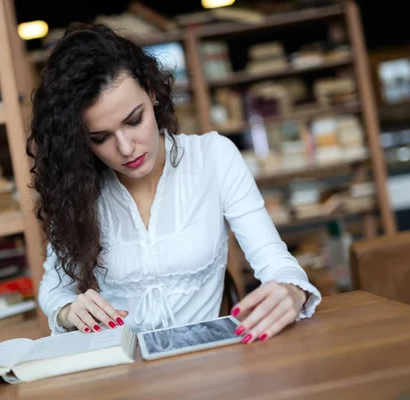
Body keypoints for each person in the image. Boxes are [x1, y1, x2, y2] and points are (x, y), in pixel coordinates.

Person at [27, 22, 321, 344]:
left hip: (214, 363)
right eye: (100, 137)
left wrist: (291, 290)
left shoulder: (213, 157)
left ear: (152, 93)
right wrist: (68, 310)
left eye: (134, 120)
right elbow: (54, 289)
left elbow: (275, 261)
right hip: (126, 370)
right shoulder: (78, 188)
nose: (126, 148)